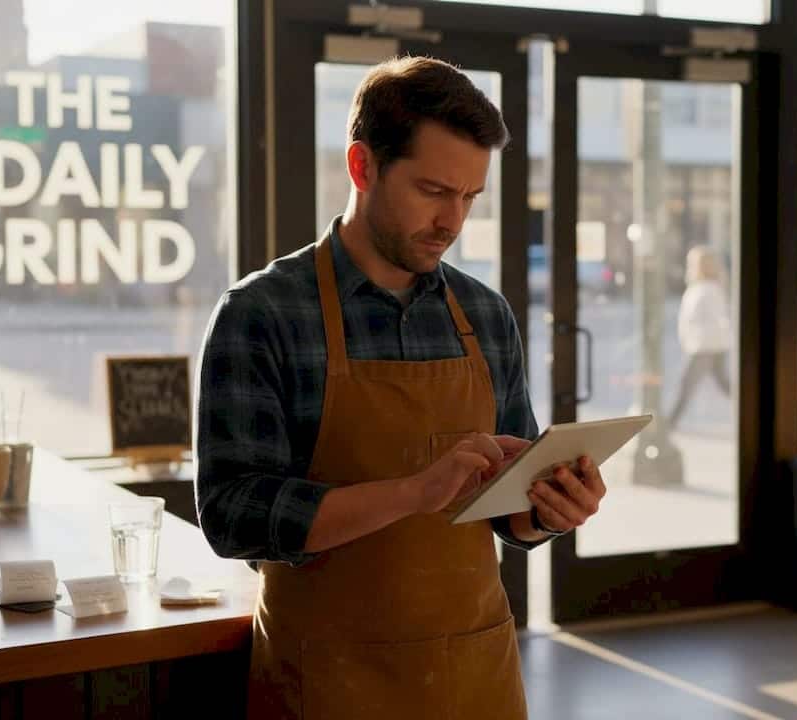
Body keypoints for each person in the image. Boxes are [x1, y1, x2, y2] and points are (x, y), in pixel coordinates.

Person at [195, 57, 607, 719]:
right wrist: (414, 493)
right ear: (362, 167)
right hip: (326, 683)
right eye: (433, 190)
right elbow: (232, 515)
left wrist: (549, 509)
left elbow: (508, 505)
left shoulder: (486, 315)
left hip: (474, 677)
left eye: (470, 197)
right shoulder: (262, 313)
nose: (453, 220)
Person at [666, 245, 731, 430]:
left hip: (705, 346)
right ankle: (749, 405)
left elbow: (718, 319)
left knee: (686, 384)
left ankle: (670, 423)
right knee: (724, 384)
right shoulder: (701, 287)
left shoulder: (709, 289)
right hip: (705, 344)